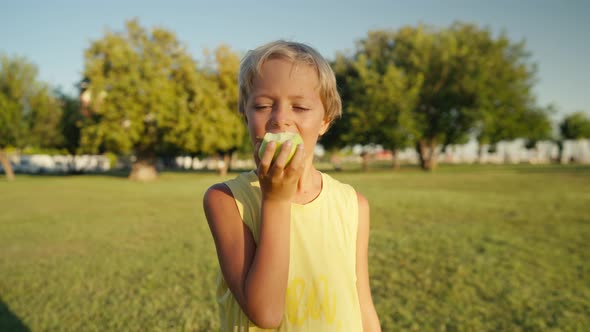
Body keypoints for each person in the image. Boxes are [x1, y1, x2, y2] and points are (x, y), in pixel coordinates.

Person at [203, 40, 381, 331]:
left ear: (324, 121)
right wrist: (275, 199)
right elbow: (266, 314)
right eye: (262, 105)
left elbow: (363, 304)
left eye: (299, 107)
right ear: (245, 114)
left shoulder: (353, 205)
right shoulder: (226, 200)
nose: (280, 120)